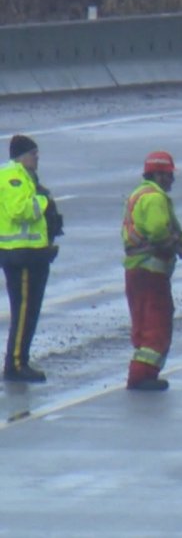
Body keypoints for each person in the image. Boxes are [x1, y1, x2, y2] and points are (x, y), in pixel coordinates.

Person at [122, 151, 182, 391]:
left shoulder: (140, 194)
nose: (172, 180)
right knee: (156, 323)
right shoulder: (154, 198)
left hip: (137, 271)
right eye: (169, 175)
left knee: (143, 322)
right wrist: (176, 242)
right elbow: (158, 230)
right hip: (151, 272)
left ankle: (142, 373)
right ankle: (142, 375)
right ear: (159, 174)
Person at [1, 134, 61, 382]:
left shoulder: (25, 176)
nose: (37, 158)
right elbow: (20, 211)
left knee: (30, 311)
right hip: (20, 256)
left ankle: (19, 360)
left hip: (32, 254)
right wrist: (43, 200)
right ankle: (15, 364)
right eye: (34, 154)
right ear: (22, 155)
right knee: (24, 311)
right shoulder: (13, 176)